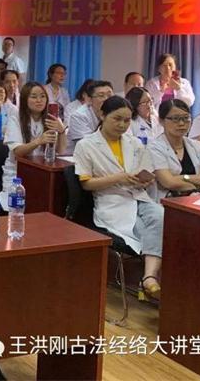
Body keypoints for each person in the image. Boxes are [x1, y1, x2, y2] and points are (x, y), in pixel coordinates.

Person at [74, 96, 162, 298]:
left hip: (137, 196)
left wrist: (144, 181)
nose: (122, 125)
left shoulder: (135, 143)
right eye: (117, 119)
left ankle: (148, 277)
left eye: (127, 120)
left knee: (161, 216)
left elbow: (146, 171)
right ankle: (149, 279)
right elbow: (86, 184)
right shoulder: (86, 145)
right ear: (102, 115)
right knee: (143, 229)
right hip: (111, 202)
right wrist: (120, 177)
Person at [1, 82, 67, 204]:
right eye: (34, 96)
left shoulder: (52, 118)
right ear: (25, 99)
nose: (39, 100)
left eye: (42, 96)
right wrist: (39, 141)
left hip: (43, 171)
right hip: (18, 173)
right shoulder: (16, 118)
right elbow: (17, 152)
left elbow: (61, 151)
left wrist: (62, 131)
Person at [149, 99, 200, 200]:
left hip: (198, 198)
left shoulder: (196, 145)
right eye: (175, 119)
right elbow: (169, 182)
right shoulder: (154, 147)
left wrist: (183, 177)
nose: (181, 123)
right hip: (169, 200)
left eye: (186, 118)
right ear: (161, 121)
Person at [67, 80, 114, 151]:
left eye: (109, 95)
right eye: (101, 96)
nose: (106, 99)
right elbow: (86, 146)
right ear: (89, 100)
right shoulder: (79, 116)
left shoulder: (117, 113)